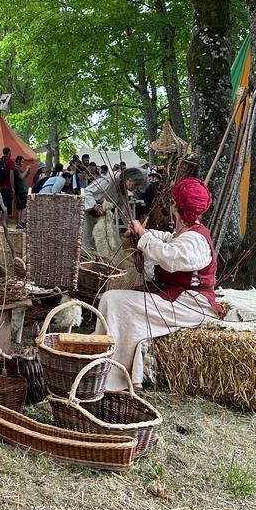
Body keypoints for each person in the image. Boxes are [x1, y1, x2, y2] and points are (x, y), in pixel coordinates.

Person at [98, 177, 223, 390]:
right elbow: (170, 239)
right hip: (177, 297)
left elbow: (172, 257)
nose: (171, 204)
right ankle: (106, 361)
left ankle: (110, 372)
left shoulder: (196, 239)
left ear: (178, 206)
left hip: (191, 305)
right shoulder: (189, 231)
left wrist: (144, 237)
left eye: (174, 201)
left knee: (113, 300)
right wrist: (143, 233)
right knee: (119, 299)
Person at [82, 166, 148, 250]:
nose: (135, 188)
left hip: (101, 216)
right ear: (129, 179)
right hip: (88, 213)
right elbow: (86, 191)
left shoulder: (123, 193)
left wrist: (131, 225)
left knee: (99, 243)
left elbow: (124, 211)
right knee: (86, 240)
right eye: (136, 185)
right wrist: (94, 206)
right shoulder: (108, 181)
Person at [0, 146, 16, 217]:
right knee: (6, 205)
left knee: (0, 206)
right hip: (7, 187)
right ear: (9, 153)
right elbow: (11, 176)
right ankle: (5, 223)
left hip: (0, 187)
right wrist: (12, 188)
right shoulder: (11, 162)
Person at [13, 155, 30, 226]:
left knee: (20, 208)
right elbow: (21, 176)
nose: (23, 164)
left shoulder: (19, 168)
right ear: (18, 161)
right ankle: (22, 222)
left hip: (22, 190)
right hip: (21, 190)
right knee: (23, 207)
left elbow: (24, 177)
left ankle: (19, 223)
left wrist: (28, 171)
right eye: (22, 162)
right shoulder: (16, 168)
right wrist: (26, 169)